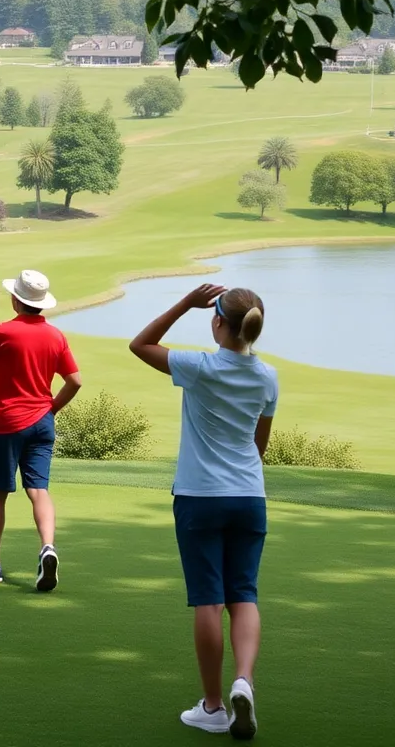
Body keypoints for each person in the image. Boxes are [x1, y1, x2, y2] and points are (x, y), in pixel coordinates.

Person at [128, 285, 277, 741]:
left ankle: (213, 707)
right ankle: (243, 682)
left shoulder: (199, 366)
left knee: (209, 600)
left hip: (199, 497)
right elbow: (259, 444)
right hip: (249, 497)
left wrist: (183, 303)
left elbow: (140, 345)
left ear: (217, 323)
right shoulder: (268, 377)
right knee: (244, 595)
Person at [0, 270, 82, 592]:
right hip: (42, 422)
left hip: (6, 422)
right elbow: (75, 381)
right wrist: (51, 408)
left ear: (15, 300)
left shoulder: (4, 331)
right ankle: (47, 547)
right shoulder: (56, 336)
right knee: (38, 490)